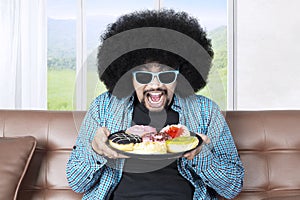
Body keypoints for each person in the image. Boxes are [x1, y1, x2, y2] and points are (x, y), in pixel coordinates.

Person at [66, 9, 244, 200]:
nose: (156, 85)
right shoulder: (103, 107)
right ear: (128, 76)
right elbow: (77, 183)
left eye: (166, 75)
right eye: (143, 75)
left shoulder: (206, 111)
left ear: (181, 76)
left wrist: (201, 154)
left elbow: (233, 187)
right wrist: (96, 150)